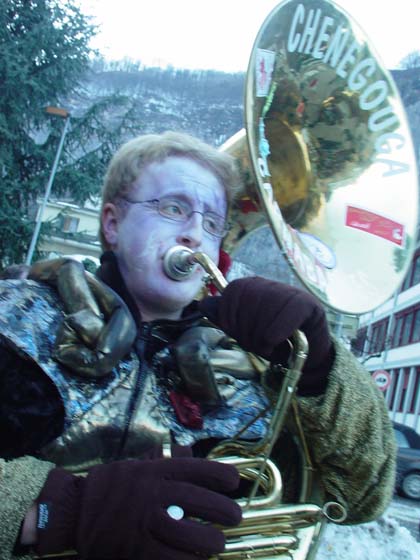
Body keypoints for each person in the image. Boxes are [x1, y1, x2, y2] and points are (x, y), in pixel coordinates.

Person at [0, 131, 396, 560]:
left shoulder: (248, 369)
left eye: (212, 224)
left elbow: (360, 498)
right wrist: (52, 511)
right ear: (113, 224)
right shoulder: (16, 314)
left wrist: (319, 367)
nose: (194, 234)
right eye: (173, 208)